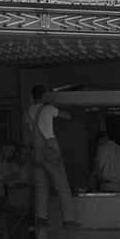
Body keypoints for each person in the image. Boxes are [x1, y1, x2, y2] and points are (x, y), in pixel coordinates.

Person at [26, 85, 77, 226]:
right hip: (50, 150)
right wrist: (56, 105)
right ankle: (68, 219)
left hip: (36, 151)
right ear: (44, 95)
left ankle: (41, 218)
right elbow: (67, 116)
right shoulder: (49, 109)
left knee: (41, 187)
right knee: (62, 186)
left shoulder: (29, 111)